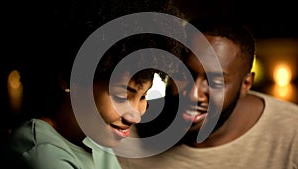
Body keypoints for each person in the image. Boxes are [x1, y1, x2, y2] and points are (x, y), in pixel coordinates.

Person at [117, 16, 298, 168]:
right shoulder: (125, 130)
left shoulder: (292, 133)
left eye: (215, 81)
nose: (193, 94)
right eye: (183, 74)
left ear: (246, 84)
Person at [4, 13, 171, 168]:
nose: (136, 116)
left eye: (144, 97)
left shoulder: (95, 137)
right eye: (121, 96)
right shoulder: (42, 156)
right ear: (71, 78)